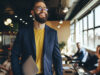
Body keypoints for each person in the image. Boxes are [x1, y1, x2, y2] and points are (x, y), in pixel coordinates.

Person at [11, 0, 63, 75]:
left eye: (45, 8)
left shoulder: (53, 33)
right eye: (39, 8)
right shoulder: (23, 32)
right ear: (32, 12)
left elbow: (57, 58)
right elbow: (14, 55)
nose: (43, 11)